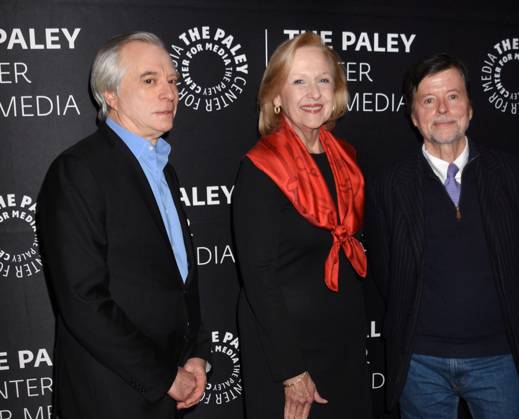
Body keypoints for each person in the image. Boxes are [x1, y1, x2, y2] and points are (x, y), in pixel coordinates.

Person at [36, 32, 210, 419]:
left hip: (170, 389)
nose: (169, 92)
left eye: (172, 81)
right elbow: (83, 301)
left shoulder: (166, 171)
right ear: (110, 95)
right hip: (111, 397)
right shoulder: (79, 171)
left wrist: (197, 353)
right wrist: (164, 376)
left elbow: (180, 278)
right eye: (150, 80)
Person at [365, 53, 519, 419]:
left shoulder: (512, 175)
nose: (443, 109)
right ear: (414, 116)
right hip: (420, 363)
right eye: (429, 100)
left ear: (470, 108)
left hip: (501, 360)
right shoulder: (389, 185)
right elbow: (385, 271)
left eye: (453, 96)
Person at [232, 32, 373, 419]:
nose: (313, 92)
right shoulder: (261, 168)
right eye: (299, 81)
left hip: (342, 346)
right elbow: (259, 280)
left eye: (323, 80)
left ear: (337, 91)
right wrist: (291, 371)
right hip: (288, 355)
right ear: (277, 96)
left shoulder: (345, 158)